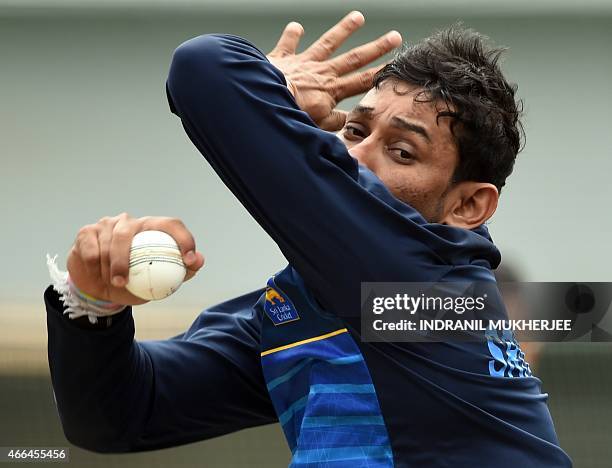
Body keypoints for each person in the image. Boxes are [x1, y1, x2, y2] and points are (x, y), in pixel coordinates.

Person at [44, 11, 572, 467]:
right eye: (356, 131)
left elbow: (204, 70)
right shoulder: (314, 311)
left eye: (402, 152)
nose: (355, 157)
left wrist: (278, 85)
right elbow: (117, 416)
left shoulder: (420, 291)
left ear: (467, 206)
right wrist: (93, 303)